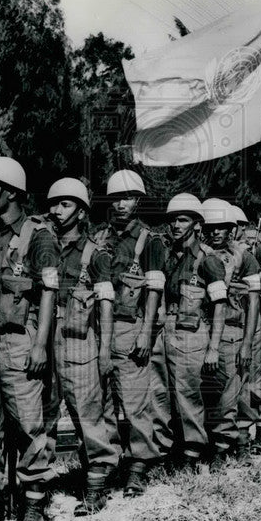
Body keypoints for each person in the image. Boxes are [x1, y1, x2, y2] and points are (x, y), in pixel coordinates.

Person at [0, 156, 60, 521]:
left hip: (20, 338)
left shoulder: (38, 236)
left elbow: (49, 292)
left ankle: (34, 504)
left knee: (27, 423)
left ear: (10, 192)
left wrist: (40, 346)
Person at [91, 170, 167, 497]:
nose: (120, 204)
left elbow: (154, 290)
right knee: (101, 402)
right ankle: (106, 464)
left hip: (129, 327)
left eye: (127, 198)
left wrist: (146, 333)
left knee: (135, 403)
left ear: (138, 201)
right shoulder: (98, 238)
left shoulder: (149, 240)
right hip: (96, 328)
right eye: (115, 199)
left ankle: (138, 466)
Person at [47, 177, 119, 515]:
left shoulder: (96, 254)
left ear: (80, 212)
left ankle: (96, 486)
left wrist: (104, 351)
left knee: (87, 412)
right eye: (54, 204)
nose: (57, 210)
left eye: (65, 204)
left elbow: (106, 304)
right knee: (44, 411)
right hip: (45, 337)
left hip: (80, 340)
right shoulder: (44, 246)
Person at [160, 193, 224, 471]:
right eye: (173, 220)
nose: (176, 225)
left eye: (183, 220)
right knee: (167, 396)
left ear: (197, 224)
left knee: (189, 396)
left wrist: (213, 348)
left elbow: (220, 306)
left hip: (193, 334)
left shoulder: (208, 260)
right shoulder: (167, 256)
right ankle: (174, 450)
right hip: (167, 330)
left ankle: (193, 453)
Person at [199, 199, 261, 462]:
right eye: (210, 227)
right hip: (200, 331)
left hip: (231, 332)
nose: (215, 232)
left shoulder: (244, 258)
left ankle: (223, 449)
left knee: (230, 395)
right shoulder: (198, 255)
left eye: (221, 226)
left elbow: (253, 303)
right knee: (204, 395)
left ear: (231, 229)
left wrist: (246, 344)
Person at [231, 204, 261, 455]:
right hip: (230, 321)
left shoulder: (259, 249)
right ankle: (237, 437)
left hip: (256, 319)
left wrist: (250, 278)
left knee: (259, 381)